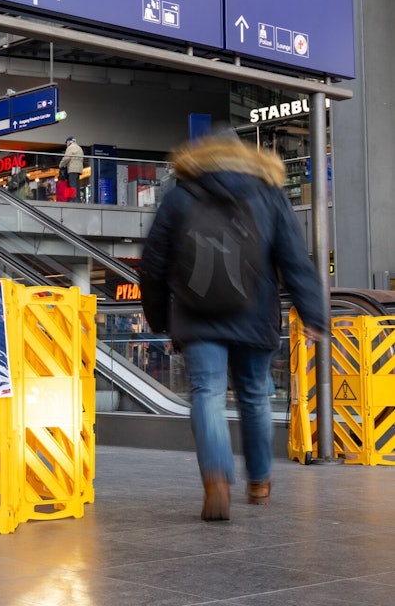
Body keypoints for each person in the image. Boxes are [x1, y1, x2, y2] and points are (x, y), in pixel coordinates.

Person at [140, 131, 327, 522]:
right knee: (256, 395)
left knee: (206, 393)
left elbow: (154, 263)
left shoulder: (180, 195)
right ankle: (258, 481)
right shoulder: (269, 193)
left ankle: (217, 482)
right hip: (254, 312)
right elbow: (294, 257)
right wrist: (313, 313)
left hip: (196, 313)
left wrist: (159, 317)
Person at [59, 136, 84, 202]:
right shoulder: (79, 148)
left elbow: (66, 158)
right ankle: (78, 199)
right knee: (77, 184)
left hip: (72, 168)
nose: (66, 144)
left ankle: (73, 199)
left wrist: (61, 165)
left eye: (66, 142)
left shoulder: (70, 148)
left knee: (72, 184)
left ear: (69, 141)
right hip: (79, 169)